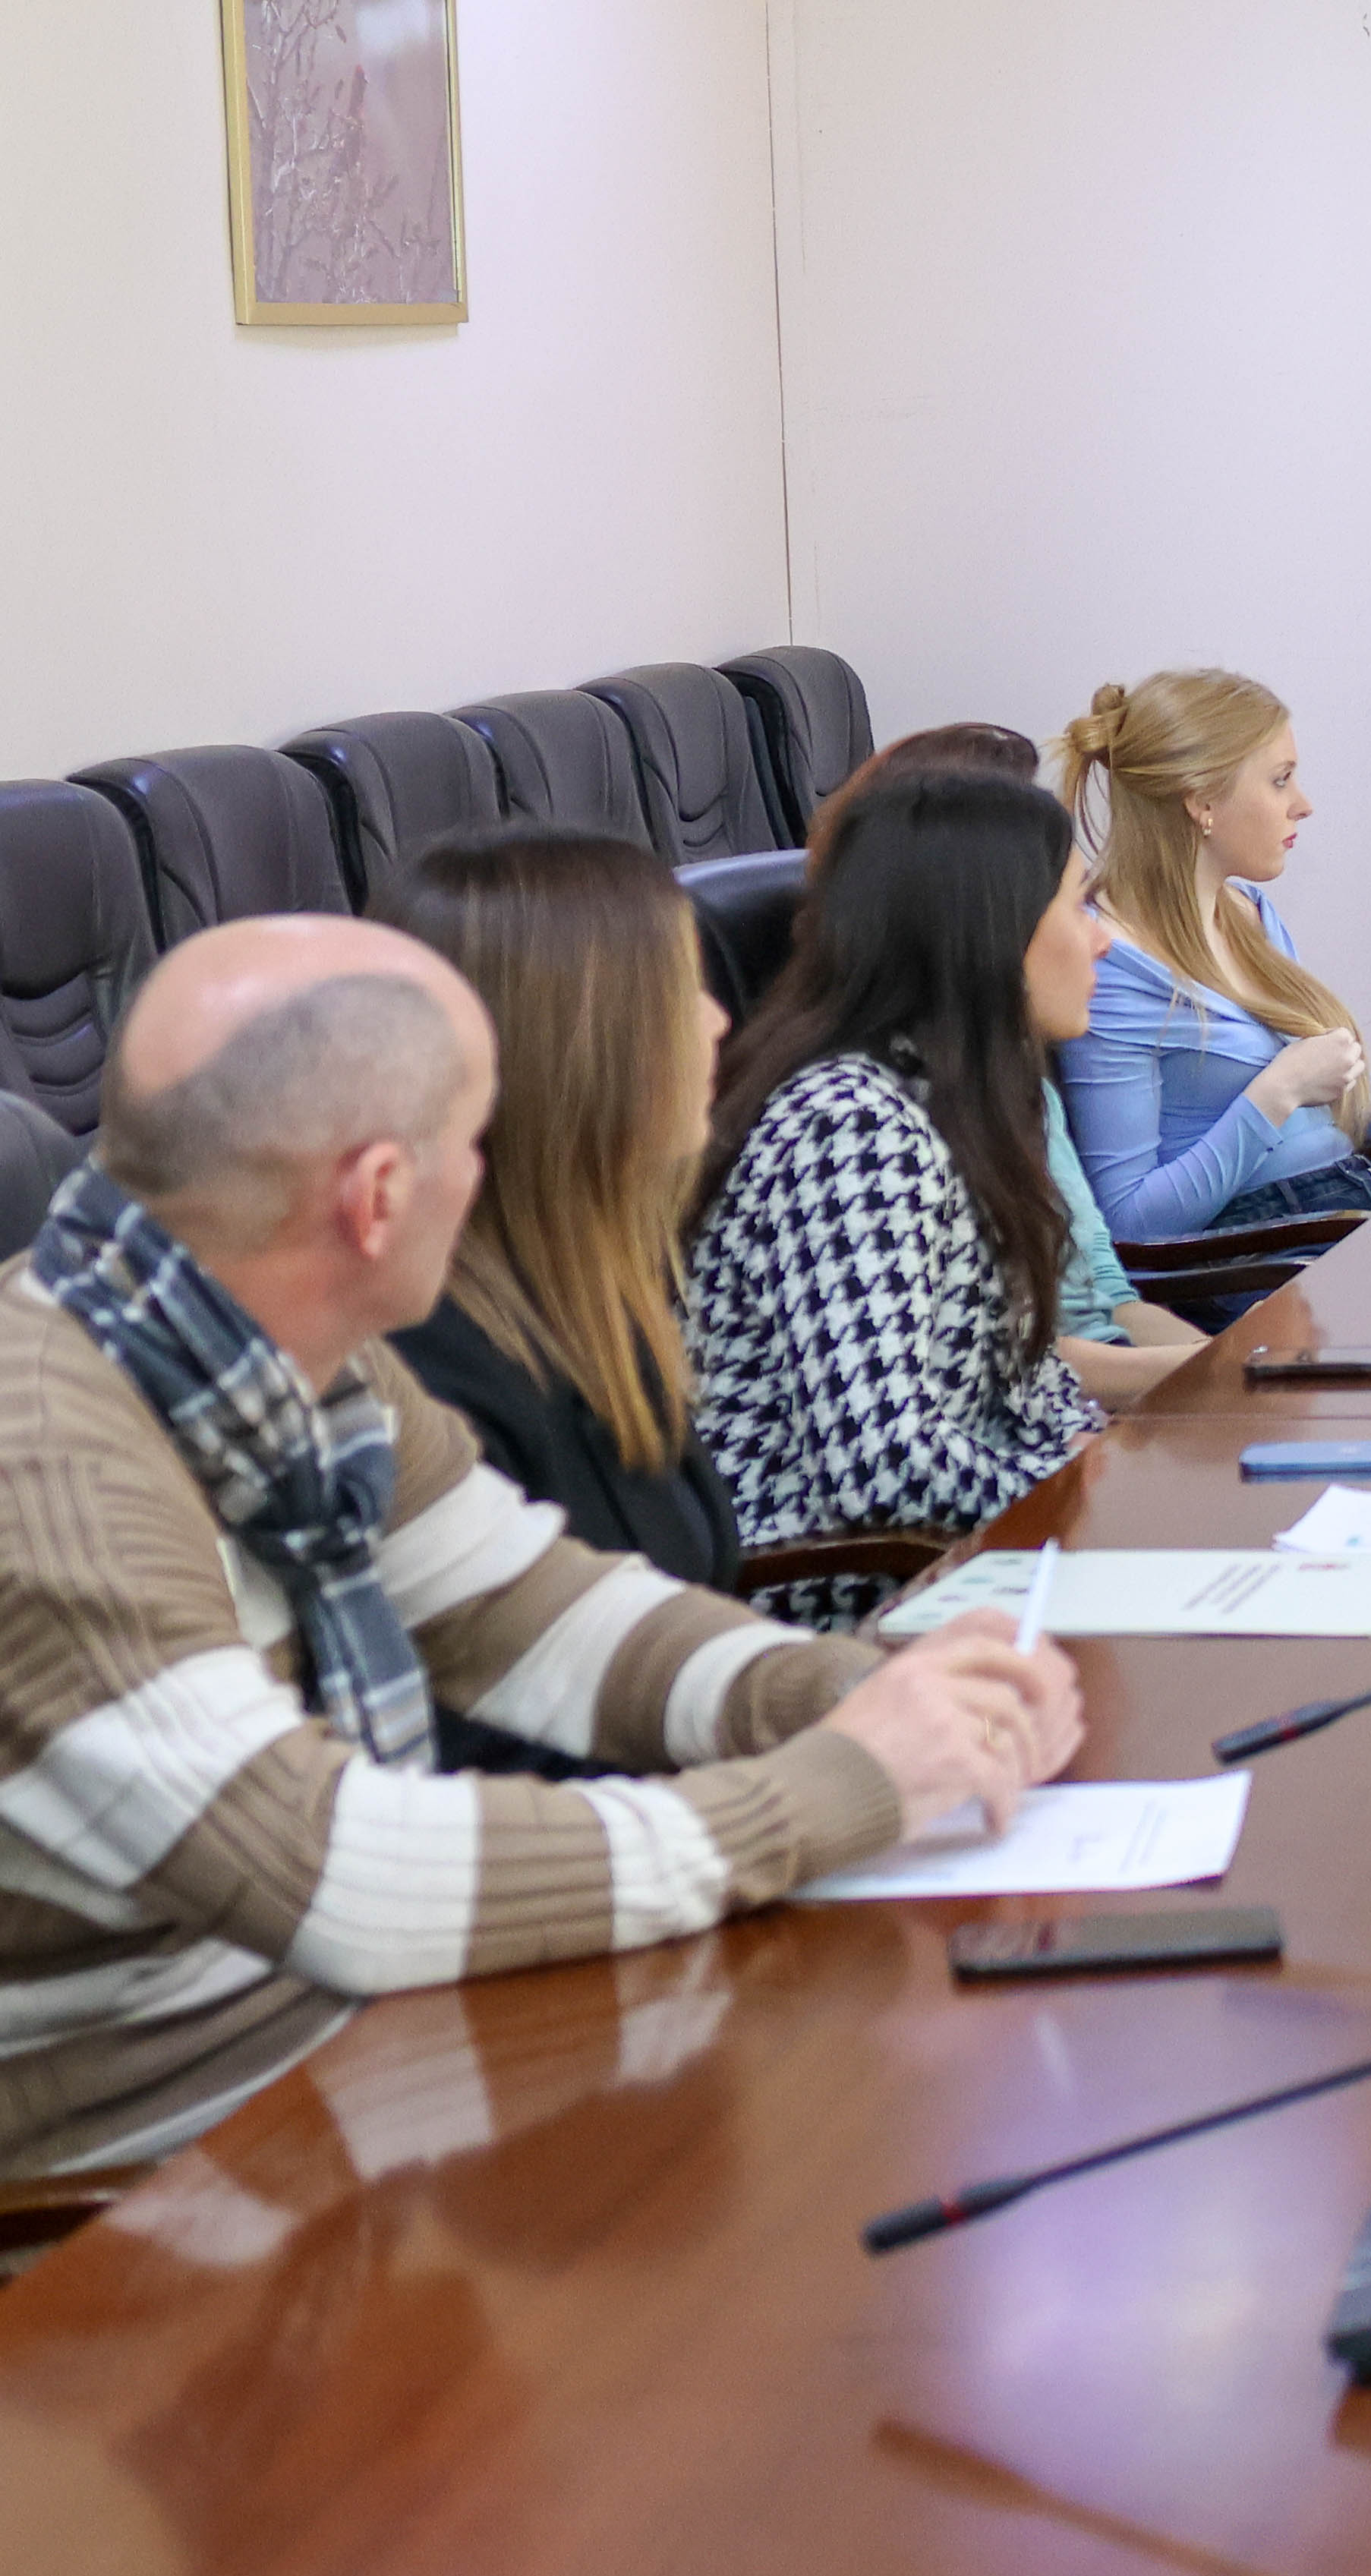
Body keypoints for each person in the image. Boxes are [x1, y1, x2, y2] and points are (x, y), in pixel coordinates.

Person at [0, 915, 1078, 2177]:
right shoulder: (46, 1465)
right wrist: (834, 1786)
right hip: (154, 2193)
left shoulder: (283, 1348)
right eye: (472, 1142)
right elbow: (337, 1873)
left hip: (368, 2072)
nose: (486, 1179)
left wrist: (845, 1690)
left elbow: (536, 1616)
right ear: (378, 1197)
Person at [687, 768, 1110, 1622]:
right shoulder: (849, 1126)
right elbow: (883, 1466)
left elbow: (1028, 1392)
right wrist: (1087, 1506)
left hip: (965, 1562)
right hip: (844, 1601)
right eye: (1078, 906)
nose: (1102, 941)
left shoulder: (954, 1099)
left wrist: (1101, 1465)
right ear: (990, 936)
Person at [382, 829, 739, 1594]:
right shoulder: (434, 1382)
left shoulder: (596, 1291)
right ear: (579, 1047)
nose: (717, 1020)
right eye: (681, 992)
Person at [840, 722, 1209, 1408]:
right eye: (1073, 904)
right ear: (986, 912)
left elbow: (1106, 1295)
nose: (1102, 939)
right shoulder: (868, 1129)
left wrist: (1226, 1371)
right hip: (1058, 1424)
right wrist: (1212, 1375)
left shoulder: (1015, 1084)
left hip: (1079, 1412)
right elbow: (980, 1385)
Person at [1049, 669, 1371, 1244]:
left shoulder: (1249, 914)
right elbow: (1130, 1221)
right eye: (1280, 780)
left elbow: (1317, 1075)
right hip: (1261, 1250)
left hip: (1347, 1201)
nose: (1303, 805)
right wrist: (1275, 1095)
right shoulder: (1111, 968)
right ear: (1202, 801)